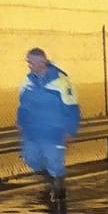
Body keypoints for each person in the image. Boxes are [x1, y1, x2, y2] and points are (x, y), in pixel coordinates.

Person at [16, 48, 81, 199]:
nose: (29, 65)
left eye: (31, 62)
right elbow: (23, 105)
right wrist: (20, 121)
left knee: (54, 162)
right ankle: (49, 179)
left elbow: (72, 108)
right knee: (31, 158)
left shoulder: (61, 82)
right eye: (28, 62)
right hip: (32, 131)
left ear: (41, 62)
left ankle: (58, 195)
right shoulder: (27, 82)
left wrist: (70, 130)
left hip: (54, 132)